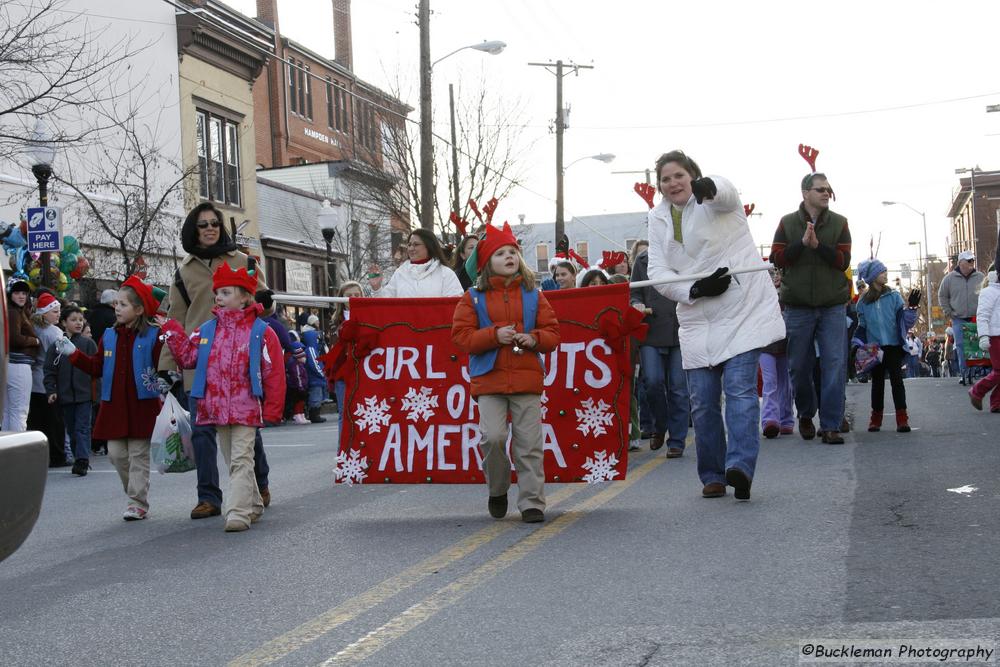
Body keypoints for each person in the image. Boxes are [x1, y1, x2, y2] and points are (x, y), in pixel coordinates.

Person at [646, 150, 784, 501]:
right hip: (696, 316)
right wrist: (692, 289)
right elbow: (658, 272)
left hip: (741, 310)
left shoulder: (714, 199)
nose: (673, 183)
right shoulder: (657, 218)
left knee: (739, 389)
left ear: (693, 175)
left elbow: (728, 194)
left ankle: (740, 466)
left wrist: (712, 187)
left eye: (680, 175)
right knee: (703, 403)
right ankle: (712, 474)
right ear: (659, 186)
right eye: (665, 178)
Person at [160, 202, 272, 520]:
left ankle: (259, 484)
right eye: (202, 225)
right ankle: (208, 496)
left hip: (239, 360)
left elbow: (263, 305)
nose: (209, 229)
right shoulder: (184, 273)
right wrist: (168, 366)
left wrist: (265, 303)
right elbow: (176, 319)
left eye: (214, 223)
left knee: (248, 430)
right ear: (192, 231)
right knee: (202, 431)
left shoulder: (244, 261)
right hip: (199, 360)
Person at [156, 263, 285, 532]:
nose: (218, 298)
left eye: (225, 293)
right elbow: (188, 358)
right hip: (214, 407)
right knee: (235, 460)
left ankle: (237, 513)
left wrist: (273, 408)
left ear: (245, 297)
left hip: (247, 407)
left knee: (241, 459)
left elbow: (274, 372)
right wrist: (171, 330)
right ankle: (254, 504)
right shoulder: (206, 330)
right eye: (218, 293)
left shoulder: (262, 332)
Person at [451, 222, 560, 523]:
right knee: (494, 438)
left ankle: (532, 502)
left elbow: (552, 333)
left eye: (512, 251)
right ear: (487, 263)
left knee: (529, 445)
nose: (509, 256)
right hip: (489, 380)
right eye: (500, 253)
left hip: (526, 379)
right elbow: (461, 338)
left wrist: (534, 338)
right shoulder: (472, 298)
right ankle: (497, 489)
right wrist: (494, 336)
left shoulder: (534, 295)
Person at [58, 277, 164, 521]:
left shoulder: (153, 336)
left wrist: (168, 377)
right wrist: (74, 354)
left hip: (142, 405)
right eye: (116, 303)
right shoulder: (108, 335)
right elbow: (97, 367)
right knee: (116, 455)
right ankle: (134, 494)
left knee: (138, 456)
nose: (117, 308)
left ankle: (137, 502)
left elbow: (164, 365)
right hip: (114, 405)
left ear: (139, 310)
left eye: (123, 304)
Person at [771, 172, 852, 444]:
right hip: (798, 306)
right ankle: (805, 413)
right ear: (805, 193)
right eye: (820, 189)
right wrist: (802, 244)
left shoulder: (840, 223)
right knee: (798, 365)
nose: (826, 193)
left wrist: (819, 247)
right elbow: (777, 258)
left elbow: (843, 261)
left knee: (834, 364)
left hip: (832, 305)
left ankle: (830, 425)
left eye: (828, 189)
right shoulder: (787, 223)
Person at [630, 245, 690, 456]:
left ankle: (677, 441)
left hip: (679, 330)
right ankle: (659, 425)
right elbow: (634, 292)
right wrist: (636, 303)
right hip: (651, 330)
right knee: (652, 382)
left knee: (678, 389)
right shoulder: (642, 260)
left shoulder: (684, 253)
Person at [854, 260, 918, 432]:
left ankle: (902, 419)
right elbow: (862, 326)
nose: (885, 274)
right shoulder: (863, 303)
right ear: (873, 276)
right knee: (877, 384)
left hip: (894, 346)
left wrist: (911, 308)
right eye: (882, 272)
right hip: (875, 349)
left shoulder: (894, 296)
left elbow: (905, 322)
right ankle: (875, 419)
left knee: (897, 382)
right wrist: (857, 343)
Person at [44, 305, 97, 476]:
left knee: (83, 427)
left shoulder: (88, 344)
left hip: (85, 395)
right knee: (72, 430)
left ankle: (82, 460)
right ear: (64, 323)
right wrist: (51, 389)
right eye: (73, 320)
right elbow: (50, 370)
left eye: (80, 320)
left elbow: (97, 370)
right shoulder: (57, 346)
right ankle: (78, 455)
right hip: (66, 395)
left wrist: (98, 394)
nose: (78, 323)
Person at [28, 292, 67, 467]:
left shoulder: (33, 328)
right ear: (44, 313)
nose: (58, 314)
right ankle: (57, 456)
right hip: (49, 381)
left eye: (58, 311)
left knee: (37, 422)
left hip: (33, 380)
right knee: (54, 422)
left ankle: (38, 458)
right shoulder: (54, 332)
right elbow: (63, 355)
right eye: (54, 311)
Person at [369, 229, 463, 298]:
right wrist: (377, 288)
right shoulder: (400, 273)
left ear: (429, 246)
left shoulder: (445, 274)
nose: (410, 248)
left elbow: (454, 305)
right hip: (404, 325)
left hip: (436, 325)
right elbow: (385, 306)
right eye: (409, 244)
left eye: (416, 244)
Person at [938, 250, 985, 385]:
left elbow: (986, 293)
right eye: (969, 260)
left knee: (975, 345)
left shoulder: (980, 277)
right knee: (960, 345)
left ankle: (973, 372)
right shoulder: (949, 279)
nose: (972, 263)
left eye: (972, 260)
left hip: (975, 317)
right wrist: (948, 311)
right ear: (960, 263)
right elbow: (942, 295)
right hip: (958, 317)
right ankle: (963, 372)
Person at [759, 269, 795, 438]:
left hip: (785, 343)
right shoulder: (760, 295)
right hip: (765, 344)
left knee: (786, 383)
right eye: (771, 274)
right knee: (770, 381)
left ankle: (786, 419)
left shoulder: (790, 294)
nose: (775, 277)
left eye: (778, 273)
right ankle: (769, 420)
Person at [4, 275, 39, 432]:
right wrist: (35, 341)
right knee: (19, 412)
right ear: (10, 294)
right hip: (18, 366)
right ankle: (18, 454)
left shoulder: (14, 311)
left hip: (10, 365)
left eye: (24, 293)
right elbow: (15, 339)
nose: (22, 296)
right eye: (17, 292)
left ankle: (7, 453)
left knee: (8, 412)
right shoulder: (14, 312)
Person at [969, 270, 1000, 412]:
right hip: (994, 335)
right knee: (999, 371)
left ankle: (996, 402)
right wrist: (983, 336)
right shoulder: (989, 292)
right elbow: (982, 316)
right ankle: (977, 391)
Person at [301, 314, 327, 423]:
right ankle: (314, 415)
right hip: (315, 378)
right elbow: (314, 364)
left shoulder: (310, 348)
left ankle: (315, 414)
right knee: (315, 397)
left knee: (317, 396)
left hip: (316, 378)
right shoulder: (311, 349)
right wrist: (322, 373)